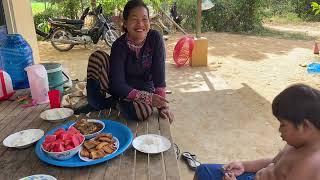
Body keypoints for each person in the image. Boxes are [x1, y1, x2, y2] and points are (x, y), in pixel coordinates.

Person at [194, 84, 320, 180]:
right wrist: (244, 166)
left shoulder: (309, 165)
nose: (280, 130)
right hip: (254, 176)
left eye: (283, 124)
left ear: (305, 125)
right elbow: (275, 162)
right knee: (203, 170)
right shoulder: (298, 141)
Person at [85, 0, 174, 122]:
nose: (140, 24)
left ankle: (116, 104)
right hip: (121, 89)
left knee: (143, 112)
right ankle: (98, 103)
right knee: (98, 57)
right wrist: (147, 98)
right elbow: (117, 83)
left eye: (144, 19)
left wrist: (162, 106)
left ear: (149, 21)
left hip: (144, 89)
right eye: (134, 19)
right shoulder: (119, 45)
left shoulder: (155, 39)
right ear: (125, 23)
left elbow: (159, 77)